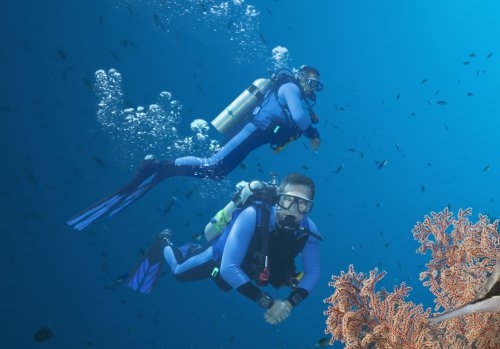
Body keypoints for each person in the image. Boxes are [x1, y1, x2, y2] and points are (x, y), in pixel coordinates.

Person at [68, 66, 323, 231]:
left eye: (316, 85)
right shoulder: (290, 87)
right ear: (301, 76)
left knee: (216, 172)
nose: (313, 87)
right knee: (213, 164)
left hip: (255, 136)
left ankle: (165, 169)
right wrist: (311, 132)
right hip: (251, 131)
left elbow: (294, 122)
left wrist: (303, 130)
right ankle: (156, 166)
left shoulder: (294, 94)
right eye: (312, 81)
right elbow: (300, 120)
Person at [128, 172, 322, 325]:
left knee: (225, 286)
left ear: (310, 208)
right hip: (221, 258)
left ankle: (192, 248)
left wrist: (289, 304)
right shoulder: (252, 215)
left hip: (249, 267)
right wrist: (269, 303)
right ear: (278, 199)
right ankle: (164, 241)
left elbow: (313, 272)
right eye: (288, 200)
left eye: (303, 204)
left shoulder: (308, 229)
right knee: (179, 272)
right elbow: (228, 267)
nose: (293, 210)